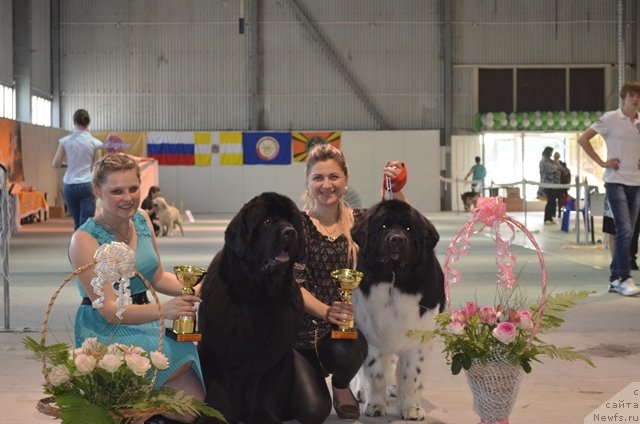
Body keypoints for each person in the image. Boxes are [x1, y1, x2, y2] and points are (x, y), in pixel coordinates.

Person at [69, 154, 205, 423]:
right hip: (104, 329)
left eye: (133, 188)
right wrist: (164, 310)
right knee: (174, 389)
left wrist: (196, 289)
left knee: (192, 405)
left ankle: (135, 411)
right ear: (97, 191)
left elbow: (156, 277)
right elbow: (109, 310)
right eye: (116, 191)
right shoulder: (84, 240)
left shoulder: (142, 219)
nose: (127, 197)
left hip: (146, 318)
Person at [291, 143, 407, 421]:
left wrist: (397, 184)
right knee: (312, 412)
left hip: (348, 334)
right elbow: (292, 285)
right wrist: (326, 311)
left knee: (351, 343)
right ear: (308, 182)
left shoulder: (361, 221)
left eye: (334, 177)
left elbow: (399, 222)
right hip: (301, 334)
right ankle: (311, 376)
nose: (326, 185)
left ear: (345, 180)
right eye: (318, 177)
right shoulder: (297, 225)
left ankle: (342, 385)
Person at [577, 80, 640, 297]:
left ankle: (614, 279)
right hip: (615, 181)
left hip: (637, 183)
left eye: (638, 95)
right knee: (623, 230)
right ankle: (624, 277)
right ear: (623, 98)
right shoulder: (610, 119)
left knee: (629, 233)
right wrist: (603, 163)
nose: (635, 99)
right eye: (631, 94)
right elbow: (583, 139)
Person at [52, 109, 104, 229]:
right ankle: (85, 246)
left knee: (76, 222)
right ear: (88, 122)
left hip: (69, 185)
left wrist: (67, 164)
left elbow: (55, 163)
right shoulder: (95, 142)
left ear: (74, 121)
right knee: (86, 223)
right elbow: (98, 166)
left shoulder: (64, 141)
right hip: (86, 183)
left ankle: (77, 246)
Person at [539, 146, 562, 224]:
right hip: (547, 184)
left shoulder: (551, 161)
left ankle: (550, 218)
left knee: (552, 202)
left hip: (553, 185)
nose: (551, 154)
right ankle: (546, 219)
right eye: (550, 152)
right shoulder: (543, 161)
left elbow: (560, 169)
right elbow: (551, 170)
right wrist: (556, 167)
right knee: (550, 201)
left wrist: (556, 160)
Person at [554, 152, 572, 218]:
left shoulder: (561, 164)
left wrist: (568, 185)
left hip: (562, 185)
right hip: (556, 185)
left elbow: (567, 175)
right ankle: (556, 213)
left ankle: (560, 212)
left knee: (561, 200)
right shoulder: (552, 163)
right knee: (555, 200)